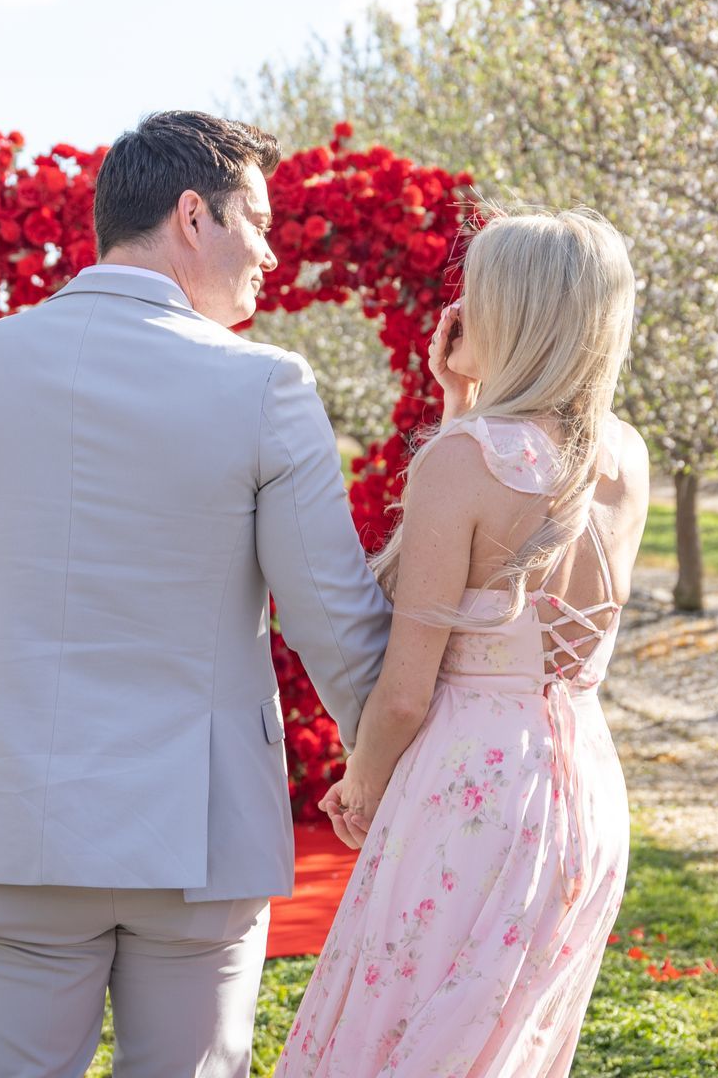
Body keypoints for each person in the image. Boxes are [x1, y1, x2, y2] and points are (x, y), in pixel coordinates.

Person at [0, 110, 391, 1077]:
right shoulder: (264, 388)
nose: (272, 256)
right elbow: (333, 623)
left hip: (1, 824)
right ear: (194, 216)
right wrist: (410, 765)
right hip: (195, 839)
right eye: (262, 224)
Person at [276, 206, 648, 1076]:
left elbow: (407, 689)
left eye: (475, 293)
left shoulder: (465, 461)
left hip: (474, 786)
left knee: (403, 1041)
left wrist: (360, 785)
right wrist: (459, 407)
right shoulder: (627, 457)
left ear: (511, 315)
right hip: (584, 789)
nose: (461, 311)